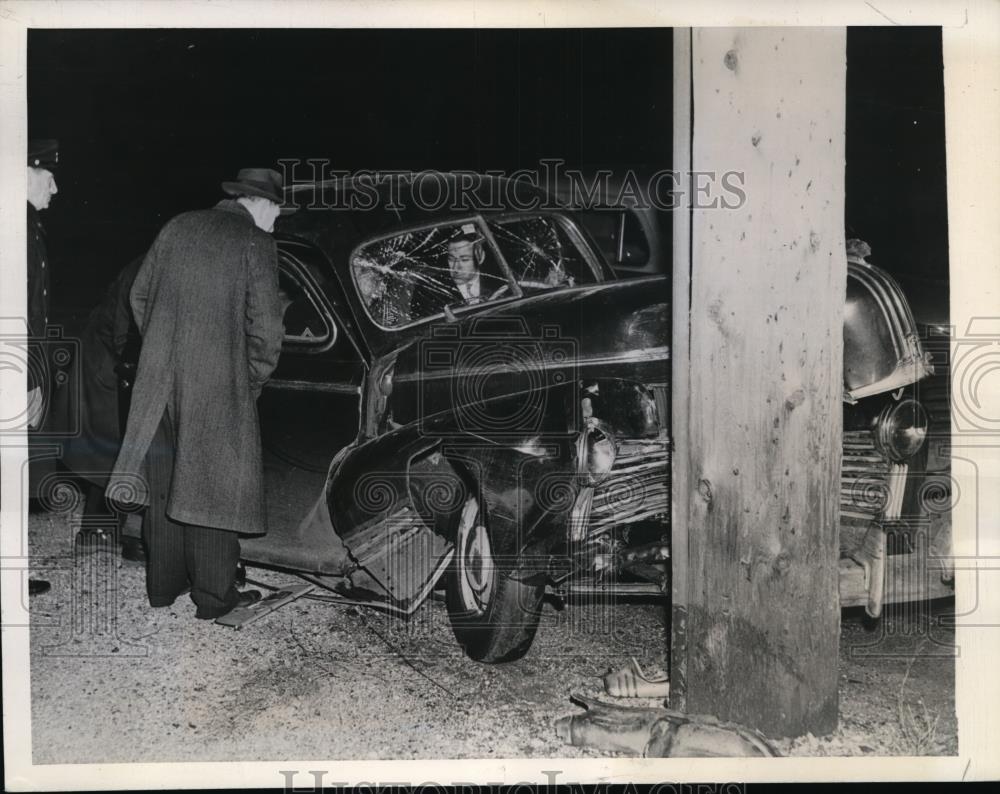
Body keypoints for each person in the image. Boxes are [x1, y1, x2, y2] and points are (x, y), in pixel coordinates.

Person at [106, 167, 288, 620]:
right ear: (262, 204)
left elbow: (139, 295)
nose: (278, 218)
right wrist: (249, 381)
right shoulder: (255, 242)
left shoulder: (178, 225)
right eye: (278, 209)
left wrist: (167, 345)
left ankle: (164, 586)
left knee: (166, 483)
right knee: (214, 486)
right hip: (216, 384)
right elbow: (267, 330)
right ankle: (214, 597)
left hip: (158, 381)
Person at [50, 256, 145, 561]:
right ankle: (101, 534)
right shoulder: (146, 266)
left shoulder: (149, 260)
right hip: (107, 365)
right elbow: (125, 332)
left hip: (107, 360)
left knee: (114, 451)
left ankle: (107, 532)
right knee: (113, 449)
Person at [25, 139, 60, 597]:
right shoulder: (12, 226)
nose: (56, 185)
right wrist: (28, 380)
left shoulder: (27, 224)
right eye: (46, 173)